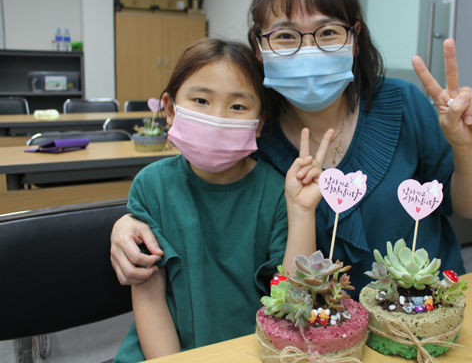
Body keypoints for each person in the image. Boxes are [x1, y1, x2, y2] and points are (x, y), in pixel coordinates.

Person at [110, 0, 472, 299]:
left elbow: (471, 208)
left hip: (423, 314)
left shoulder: (403, 104)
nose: (309, 49)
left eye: (328, 32)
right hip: (316, 332)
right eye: (286, 36)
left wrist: (468, 147)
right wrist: (128, 222)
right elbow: (200, 199)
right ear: (259, 47)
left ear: (354, 38)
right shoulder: (250, 135)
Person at [113, 38, 333, 361]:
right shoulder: (151, 186)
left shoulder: (275, 192)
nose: (217, 118)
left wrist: (301, 212)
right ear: (171, 109)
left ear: (259, 123)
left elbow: (293, 300)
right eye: (201, 100)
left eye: (238, 107)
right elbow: (149, 299)